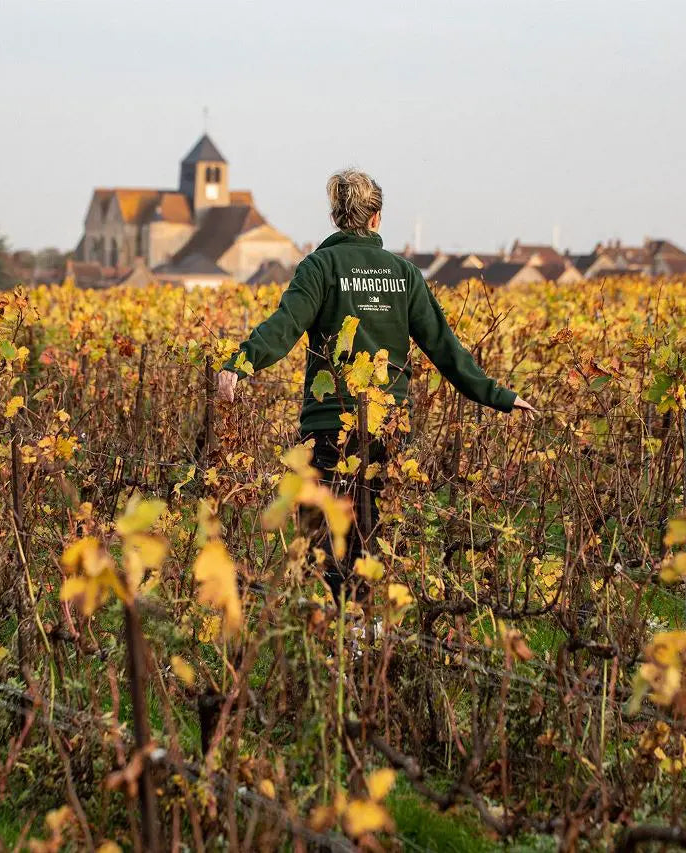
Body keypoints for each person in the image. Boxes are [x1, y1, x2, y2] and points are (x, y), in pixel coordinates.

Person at [217, 169, 536, 601]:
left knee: (323, 535)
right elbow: (445, 348)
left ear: (335, 217)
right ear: (377, 218)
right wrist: (498, 395)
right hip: (388, 428)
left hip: (329, 425)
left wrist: (239, 363)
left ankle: (337, 636)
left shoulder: (319, 267)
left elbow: (285, 326)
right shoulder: (403, 274)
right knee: (373, 537)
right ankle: (367, 635)